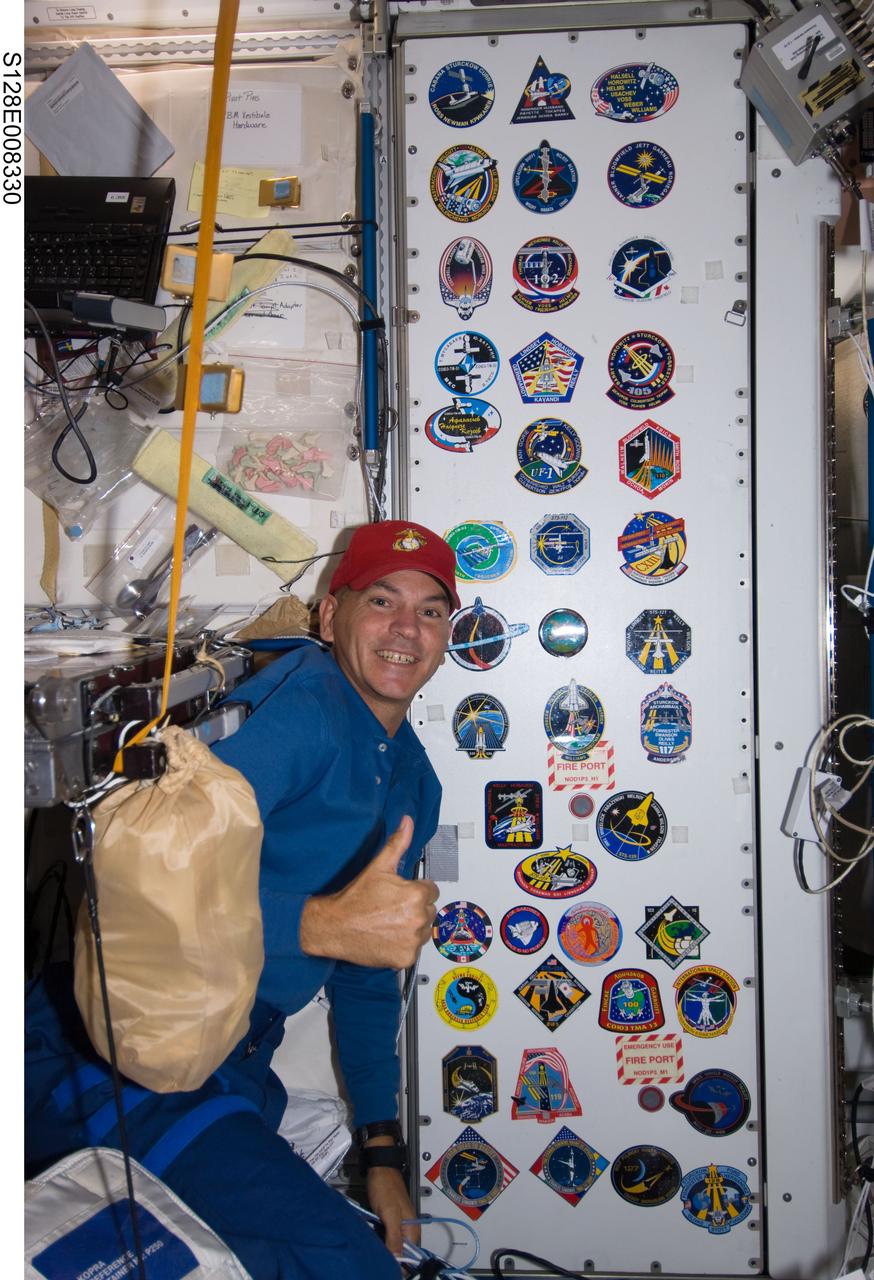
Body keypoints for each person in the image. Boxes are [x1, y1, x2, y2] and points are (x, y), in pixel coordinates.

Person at [25, 519, 460, 1280]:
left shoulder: (413, 776)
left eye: (430, 611)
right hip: (120, 1044)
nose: (405, 628)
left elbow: (362, 974)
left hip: (228, 1057)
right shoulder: (306, 712)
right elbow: (141, 885)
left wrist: (382, 1150)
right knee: (338, 1264)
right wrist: (319, 924)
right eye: (382, 600)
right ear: (331, 616)